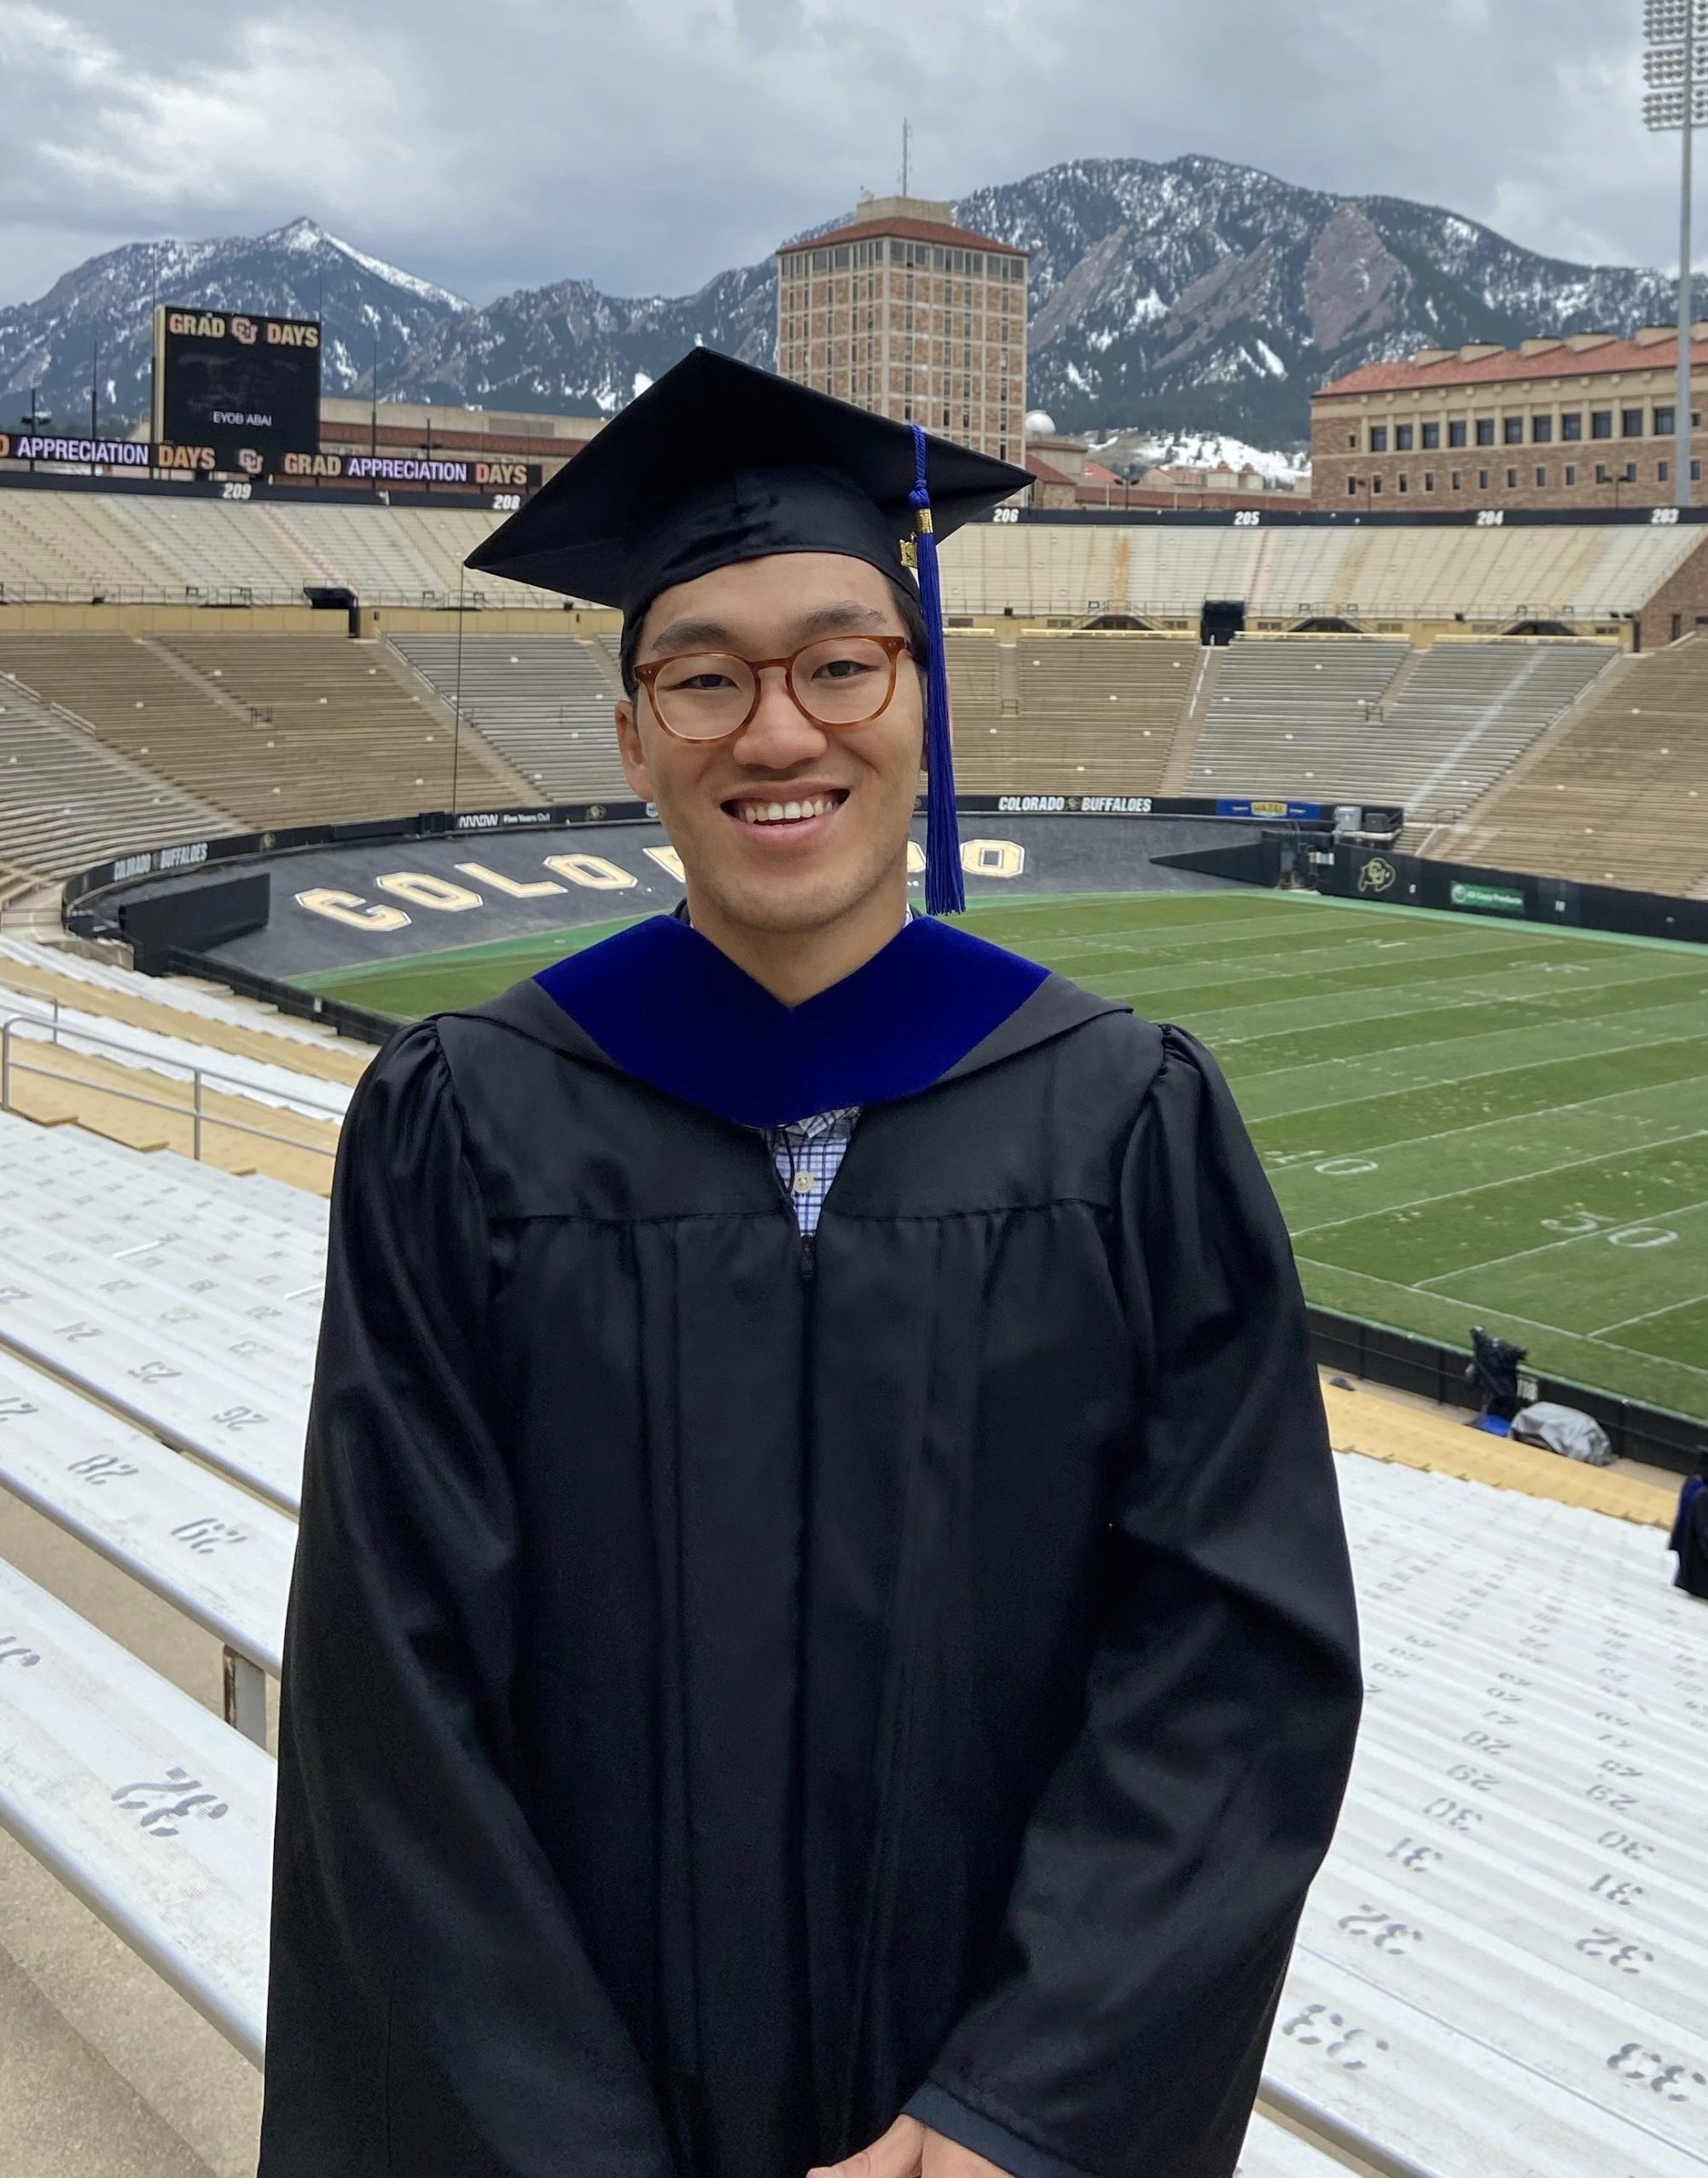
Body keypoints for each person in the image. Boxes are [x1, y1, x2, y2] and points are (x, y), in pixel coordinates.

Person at [259, 351, 1362, 2178]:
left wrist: (1018, 2105)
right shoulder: (466, 1130)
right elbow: (392, 1699)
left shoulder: (1125, 1126)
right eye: (705, 676)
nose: (780, 732)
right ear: (632, 734)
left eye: (841, 662)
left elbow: (1232, 1662)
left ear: (920, 698)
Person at [1669, 1447, 1708, 1607]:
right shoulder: (1705, 1495)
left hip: (1688, 1555)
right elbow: (1707, 1530)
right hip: (1701, 1567)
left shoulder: (1691, 1484)